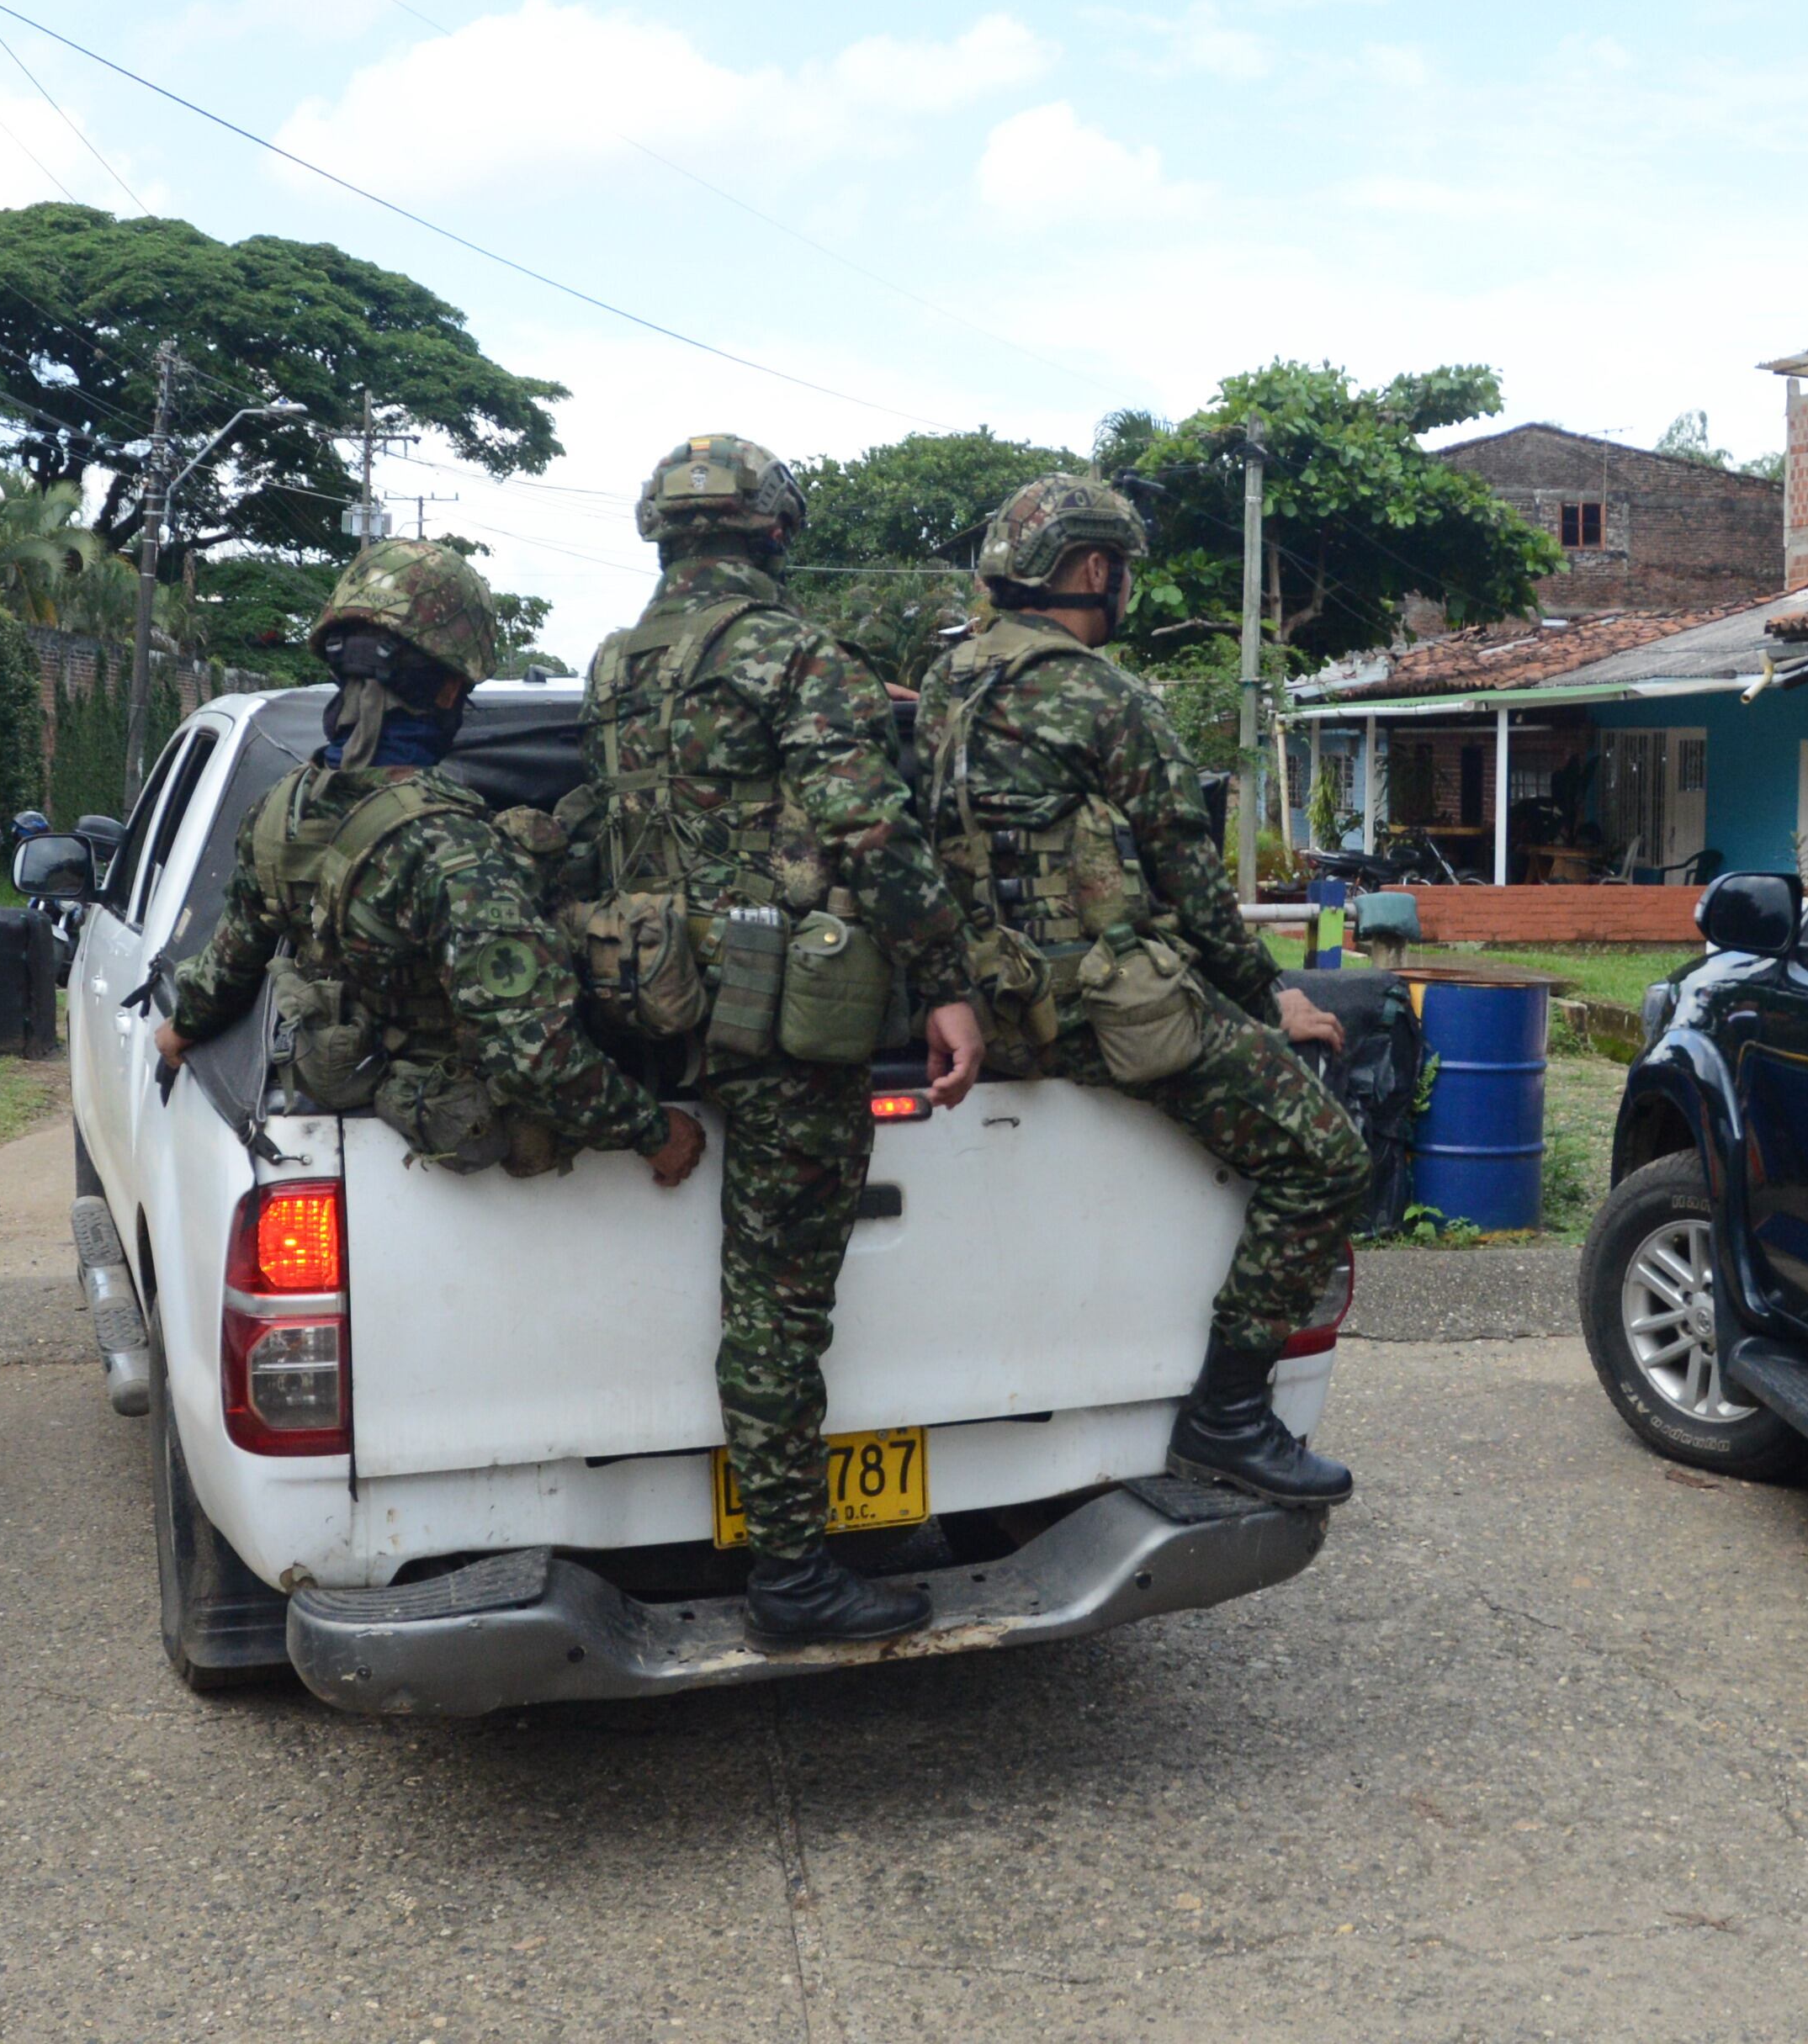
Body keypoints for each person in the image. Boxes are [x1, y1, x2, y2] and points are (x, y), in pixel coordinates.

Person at [570, 433, 986, 1650]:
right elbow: (871, 826)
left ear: (663, 533)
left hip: (651, 998)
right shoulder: (793, 653)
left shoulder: (613, 663)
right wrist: (946, 980)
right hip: (784, 1020)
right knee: (778, 1303)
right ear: (775, 531)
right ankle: (795, 1574)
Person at [916, 474, 1370, 1507]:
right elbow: (1191, 879)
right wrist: (1271, 996)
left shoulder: (948, 680)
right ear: (1092, 569)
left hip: (979, 1002)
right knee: (1327, 1158)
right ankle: (1230, 1415)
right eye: (1120, 569)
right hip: (1088, 1006)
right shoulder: (1099, 695)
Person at [154, 540, 704, 1197]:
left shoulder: (279, 810)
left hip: (352, 1099)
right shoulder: (450, 849)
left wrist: (181, 1028)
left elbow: (231, 959)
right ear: (448, 688)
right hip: (468, 1129)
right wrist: (653, 1131)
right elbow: (533, 1055)